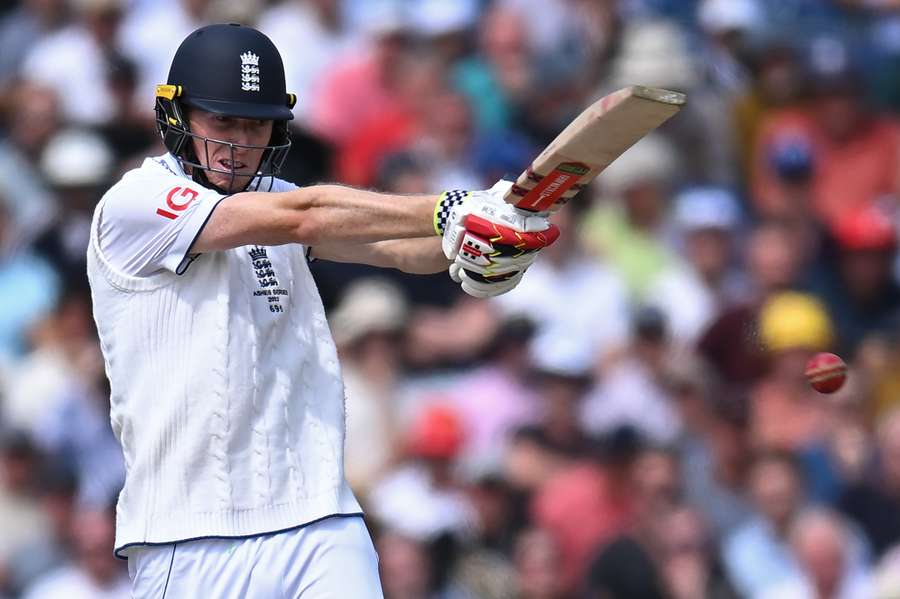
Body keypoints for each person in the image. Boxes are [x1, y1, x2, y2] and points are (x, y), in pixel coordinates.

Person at [85, 23, 558, 598]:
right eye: (224, 122)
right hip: (189, 532)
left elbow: (406, 253)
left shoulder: (271, 203)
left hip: (317, 518)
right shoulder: (135, 203)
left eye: (256, 124)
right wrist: (450, 206)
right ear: (176, 116)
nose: (240, 143)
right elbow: (306, 214)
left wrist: (482, 244)